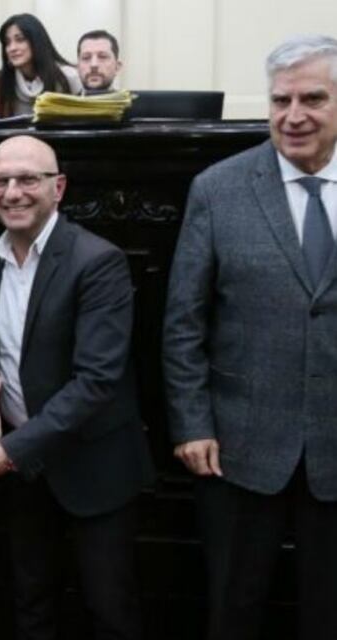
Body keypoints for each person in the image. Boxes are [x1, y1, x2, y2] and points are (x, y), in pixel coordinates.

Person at [163, 34, 337, 640]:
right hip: (238, 446)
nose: (293, 116)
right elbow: (183, 320)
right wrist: (191, 422)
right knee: (233, 612)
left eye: (312, 98)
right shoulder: (219, 189)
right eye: (280, 100)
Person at [0, 135, 153, 639]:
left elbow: (97, 381)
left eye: (28, 179)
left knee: (110, 609)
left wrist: (11, 448)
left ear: (58, 187)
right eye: (1, 181)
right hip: (23, 477)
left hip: (92, 471)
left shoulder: (97, 261)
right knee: (30, 605)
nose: (13, 192)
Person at [0, 13, 82, 117]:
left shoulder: (68, 77)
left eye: (20, 40)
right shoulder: (7, 81)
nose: (12, 48)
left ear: (36, 41)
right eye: (7, 42)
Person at [77, 30, 123, 94]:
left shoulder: (136, 103)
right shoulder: (64, 104)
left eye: (102, 57)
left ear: (117, 67)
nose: (94, 65)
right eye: (86, 58)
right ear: (77, 67)